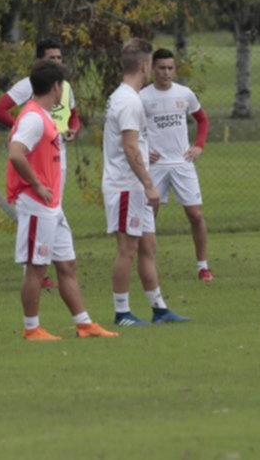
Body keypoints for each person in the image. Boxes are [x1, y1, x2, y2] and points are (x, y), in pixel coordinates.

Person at [7, 60, 118, 340]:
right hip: (36, 203)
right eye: (63, 86)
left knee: (67, 264)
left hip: (52, 206)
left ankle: (84, 324)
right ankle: (32, 328)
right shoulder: (33, 117)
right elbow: (16, 153)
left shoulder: (43, 115)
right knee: (36, 267)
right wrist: (36, 184)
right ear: (56, 87)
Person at [103, 38, 189, 326]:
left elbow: (132, 144)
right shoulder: (128, 100)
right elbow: (129, 147)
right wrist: (150, 184)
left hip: (137, 186)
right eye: (152, 64)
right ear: (143, 65)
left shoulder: (129, 98)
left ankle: (159, 309)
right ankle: (121, 312)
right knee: (127, 249)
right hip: (126, 186)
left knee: (148, 247)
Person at [0, 38, 80, 290]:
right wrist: (19, 129)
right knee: (38, 208)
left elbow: (73, 117)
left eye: (60, 58)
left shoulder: (64, 87)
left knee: (54, 210)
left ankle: (49, 262)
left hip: (57, 157)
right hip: (35, 157)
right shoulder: (28, 86)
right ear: (39, 61)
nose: (57, 62)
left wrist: (72, 129)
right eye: (51, 58)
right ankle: (35, 268)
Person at [139, 49, 213, 282]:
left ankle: (202, 266)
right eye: (161, 68)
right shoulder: (142, 97)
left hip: (182, 163)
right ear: (153, 69)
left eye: (170, 68)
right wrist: (143, 150)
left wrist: (199, 145)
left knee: (196, 214)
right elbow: (132, 129)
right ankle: (148, 266)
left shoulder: (185, 93)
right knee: (149, 217)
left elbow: (202, 119)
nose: (166, 72)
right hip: (156, 166)